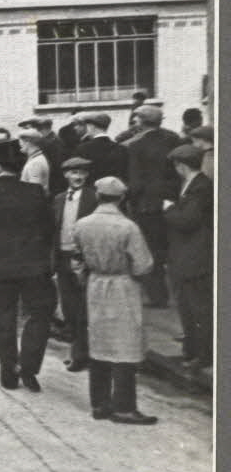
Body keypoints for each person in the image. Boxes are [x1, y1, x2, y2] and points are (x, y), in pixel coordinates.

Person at [0, 139, 56, 391]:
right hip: (33, 266)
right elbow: (49, 229)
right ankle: (28, 368)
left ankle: (8, 370)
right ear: (21, 165)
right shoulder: (35, 192)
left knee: (2, 319)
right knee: (39, 314)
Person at [72, 177, 158, 424]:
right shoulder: (128, 227)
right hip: (123, 286)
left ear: (98, 196)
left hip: (96, 285)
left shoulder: (82, 224)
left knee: (99, 342)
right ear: (121, 198)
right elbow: (143, 265)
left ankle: (99, 403)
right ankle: (124, 406)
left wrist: (86, 275)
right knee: (125, 345)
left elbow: (76, 258)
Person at [124, 104, 182, 308]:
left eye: (136, 118)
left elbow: (135, 179)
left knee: (151, 250)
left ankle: (158, 296)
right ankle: (180, 293)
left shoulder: (134, 145)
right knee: (173, 248)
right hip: (172, 201)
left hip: (146, 205)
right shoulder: (174, 139)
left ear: (141, 120)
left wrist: (131, 199)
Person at [162, 145, 213, 371]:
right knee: (188, 306)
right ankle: (192, 350)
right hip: (185, 256)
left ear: (180, 166)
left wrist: (170, 209)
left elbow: (187, 221)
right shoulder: (192, 185)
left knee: (198, 307)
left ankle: (203, 355)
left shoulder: (200, 188)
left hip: (195, 258)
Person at [50, 157, 97, 372]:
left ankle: (82, 355)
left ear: (87, 176)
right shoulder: (59, 199)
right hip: (62, 259)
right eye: (73, 172)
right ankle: (77, 350)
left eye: (82, 173)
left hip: (83, 261)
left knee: (83, 311)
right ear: (65, 175)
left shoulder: (93, 198)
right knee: (69, 309)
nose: (77, 177)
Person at [74, 112, 128, 184]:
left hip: (91, 191)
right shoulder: (121, 148)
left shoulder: (83, 148)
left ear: (91, 127)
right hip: (115, 191)